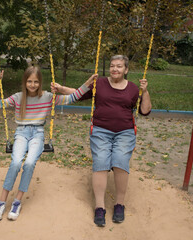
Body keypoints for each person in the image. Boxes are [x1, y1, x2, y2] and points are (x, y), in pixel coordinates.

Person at [51, 55, 151, 227]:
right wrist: (60, 88)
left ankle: (119, 204)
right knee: (101, 162)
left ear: (126, 70)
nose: (115, 69)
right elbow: (78, 94)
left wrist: (145, 91)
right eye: (112, 66)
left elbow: (145, 111)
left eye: (119, 66)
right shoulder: (100, 84)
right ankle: (99, 207)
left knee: (120, 161)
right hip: (100, 131)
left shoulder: (134, 89)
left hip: (125, 132)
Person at [0, 65, 98, 221]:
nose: (32, 85)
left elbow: (72, 97)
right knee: (15, 163)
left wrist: (88, 83)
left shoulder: (48, 97)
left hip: (38, 135)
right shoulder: (18, 97)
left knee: (29, 163)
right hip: (21, 133)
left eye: (35, 81)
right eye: (29, 81)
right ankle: (0, 203)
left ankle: (17, 201)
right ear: (25, 82)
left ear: (40, 82)